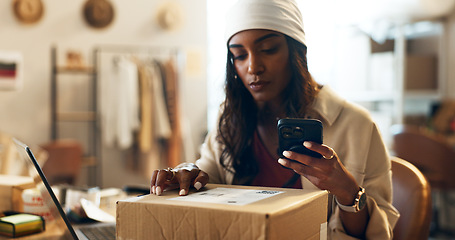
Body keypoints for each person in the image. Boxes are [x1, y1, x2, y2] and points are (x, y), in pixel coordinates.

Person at [150, 0, 399, 239]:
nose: (253, 67)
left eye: (268, 49)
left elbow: (377, 234)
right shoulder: (229, 118)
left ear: (296, 51)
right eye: (239, 55)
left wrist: (348, 193)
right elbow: (208, 173)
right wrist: (188, 172)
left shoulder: (357, 125)